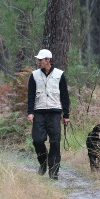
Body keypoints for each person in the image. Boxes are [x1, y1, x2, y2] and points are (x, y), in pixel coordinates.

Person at [27, 49, 70, 180]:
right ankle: (43, 163)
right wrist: (30, 112)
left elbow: (64, 96)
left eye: (41, 59)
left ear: (48, 60)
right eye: (38, 60)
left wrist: (66, 114)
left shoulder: (59, 74)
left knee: (55, 142)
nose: (39, 62)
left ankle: (54, 171)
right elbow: (30, 96)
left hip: (55, 112)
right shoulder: (34, 75)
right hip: (39, 113)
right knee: (37, 141)